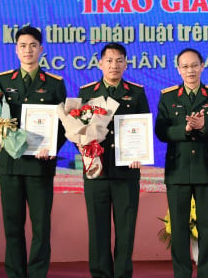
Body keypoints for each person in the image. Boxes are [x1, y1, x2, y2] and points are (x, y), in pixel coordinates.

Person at [0, 26, 67, 278]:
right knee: (13, 226)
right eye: (22, 45)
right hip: (11, 164)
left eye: (33, 45)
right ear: (15, 49)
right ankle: (16, 274)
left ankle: (38, 274)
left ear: (41, 49)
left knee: (41, 227)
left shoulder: (54, 84)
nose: (28, 50)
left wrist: (51, 149)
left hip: (40, 165)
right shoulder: (1, 81)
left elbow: (63, 125)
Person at [78, 42, 150, 278]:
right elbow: (78, 129)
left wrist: (139, 153)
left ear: (126, 64)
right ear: (100, 64)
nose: (114, 65)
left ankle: (122, 274)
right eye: (109, 60)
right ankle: (100, 274)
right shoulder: (87, 93)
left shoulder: (136, 93)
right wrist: (81, 144)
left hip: (126, 172)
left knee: (125, 229)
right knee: (97, 230)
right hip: (96, 170)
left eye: (119, 60)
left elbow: (143, 129)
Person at [155, 48, 208, 278]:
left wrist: (203, 127)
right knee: (178, 228)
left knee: (207, 227)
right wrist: (185, 129)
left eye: (194, 65)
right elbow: (161, 131)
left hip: (205, 169)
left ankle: (206, 273)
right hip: (177, 170)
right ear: (178, 69)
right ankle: (182, 273)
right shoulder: (167, 96)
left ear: (202, 66)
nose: (190, 70)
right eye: (185, 66)